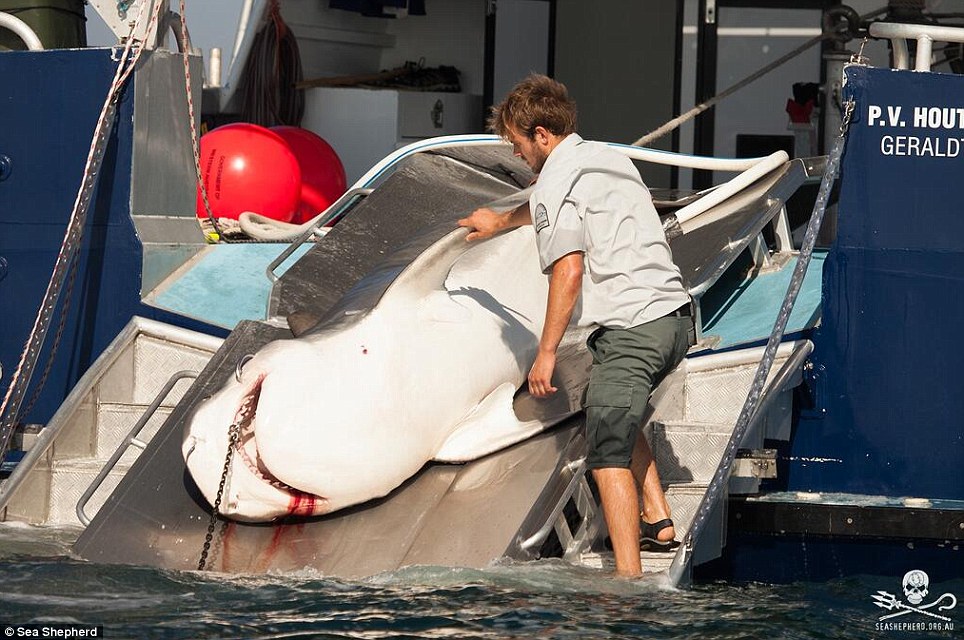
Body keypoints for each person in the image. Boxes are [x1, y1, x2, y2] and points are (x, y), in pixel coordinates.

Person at [457, 74, 693, 577]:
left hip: (632, 327)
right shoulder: (607, 159)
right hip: (674, 320)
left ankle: (627, 580)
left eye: (517, 144)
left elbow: (568, 270)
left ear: (541, 135)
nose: (516, 154)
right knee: (614, 407)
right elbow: (560, 210)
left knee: (605, 446)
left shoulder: (554, 184)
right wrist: (502, 221)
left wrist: (545, 354)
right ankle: (658, 516)